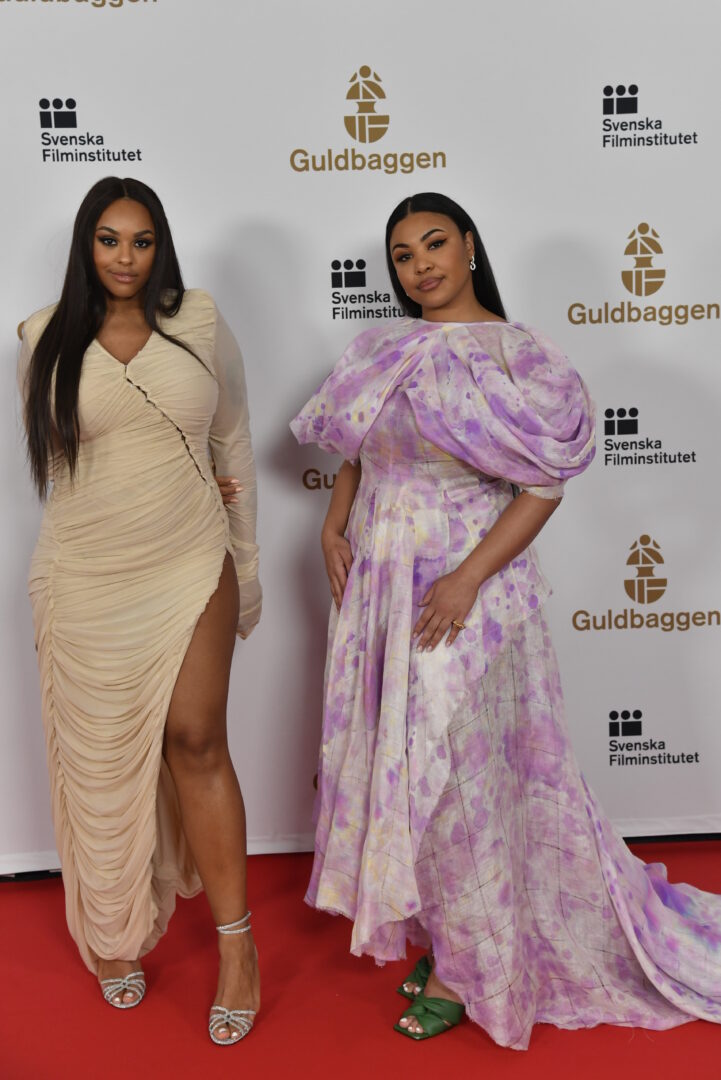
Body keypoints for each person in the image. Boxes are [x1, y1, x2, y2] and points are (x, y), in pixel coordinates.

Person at [290, 192, 721, 1049]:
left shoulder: (521, 359)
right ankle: (449, 934)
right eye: (404, 255)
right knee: (408, 773)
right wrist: (332, 527)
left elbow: (543, 488)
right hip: (381, 591)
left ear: (469, 246)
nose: (421, 266)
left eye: (434, 244)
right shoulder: (379, 349)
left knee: (460, 777)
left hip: (467, 600)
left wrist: (466, 579)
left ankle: (471, 969)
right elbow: (356, 452)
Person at [18, 176, 261, 1046]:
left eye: (142, 240)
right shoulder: (41, 337)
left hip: (191, 558)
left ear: (161, 247)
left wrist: (247, 566)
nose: (126, 257)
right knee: (98, 762)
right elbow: (60, 471)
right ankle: (113, 929)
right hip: (84, 573)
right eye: (110, 239)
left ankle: (237, 948)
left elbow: (231, 440)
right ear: (87, 245)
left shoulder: (197, 320)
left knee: (197, 740)